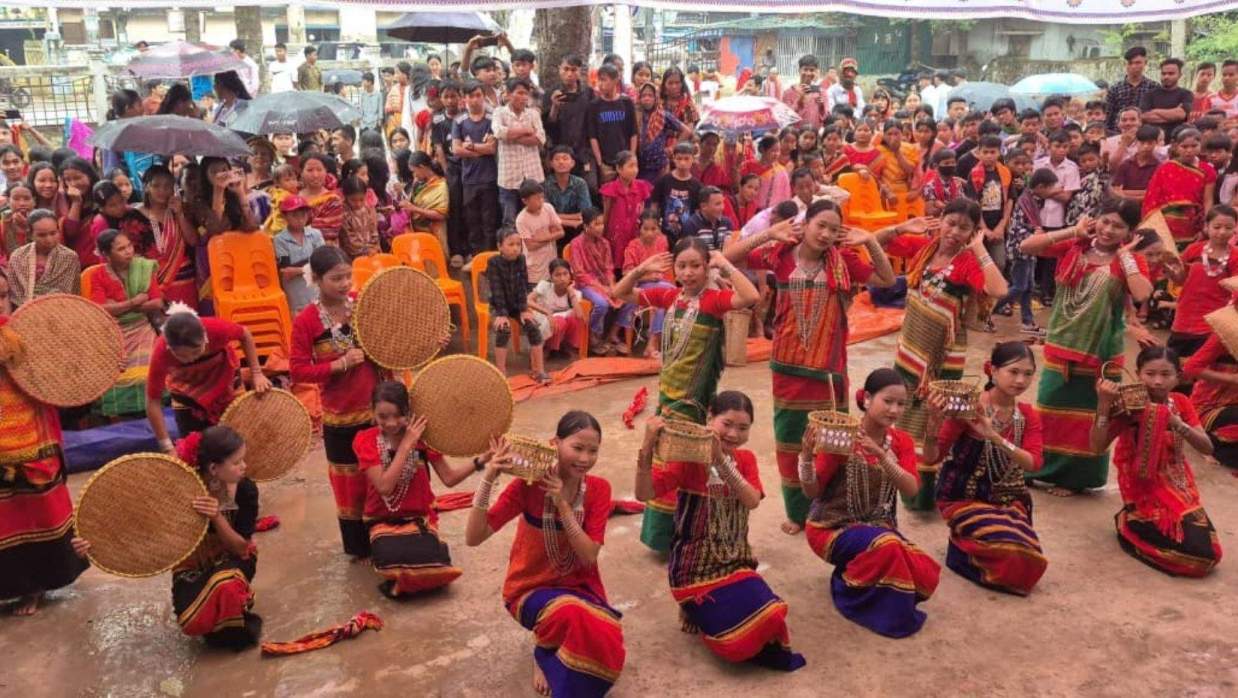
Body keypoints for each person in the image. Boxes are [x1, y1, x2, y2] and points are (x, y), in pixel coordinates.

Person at [724, 198, 897, 532]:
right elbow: (729, 257)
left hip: (829, 370)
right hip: (787, 367)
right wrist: (768, 234)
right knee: (790, 443)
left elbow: (886, 279)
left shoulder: (843, 261)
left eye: (834, 229)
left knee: (833, 443)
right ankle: (797, 513)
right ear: (806, 225)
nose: (826, 234)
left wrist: (870, 241)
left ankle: (830, 508)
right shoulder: (781, 255)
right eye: (821, 225)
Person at [636, 392, 806, 671]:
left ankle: (702, 613)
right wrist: (646, 448)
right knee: (733, 641)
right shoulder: (689, 460)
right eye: (726, 424)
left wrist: (721, 462)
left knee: (772, 616)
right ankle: (693, 607)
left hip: (735, 563)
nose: (733, 434)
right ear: (709, 418)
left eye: (743, 428)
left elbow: (751, 500)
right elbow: (643, 493)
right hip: (693, 571)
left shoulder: (746, 459)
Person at [465, 411, 625, 697]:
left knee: (607, 635)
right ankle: (545, 652)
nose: (585, 458)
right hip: (529, 590)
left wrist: (562, 504)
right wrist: (488, 477)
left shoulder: (599, 489)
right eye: (577, 448)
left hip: (580, 587)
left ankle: (553, 652)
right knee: (570, 614)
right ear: (555, 443)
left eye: (593, 451)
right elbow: (474, 537)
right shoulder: (528, 485)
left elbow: (589, 556)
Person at [614, 238, 759, 552]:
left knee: (684, 465)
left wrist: (725, 264)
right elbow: (620, 293)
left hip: (694, 402)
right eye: (682, 266)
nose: (688, 272)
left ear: (707, 267)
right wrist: (641, 269)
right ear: (674, 269)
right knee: (662, 462)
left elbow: (751, 296)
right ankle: (661, 537)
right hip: (667, 398)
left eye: (696, 265)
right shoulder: (669, 296)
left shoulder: (713, 301)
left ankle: (683, 533)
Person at [82, 426, 262, 647]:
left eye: (243, 459)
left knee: (226, 585)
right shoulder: (181, 489)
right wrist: (92, 542)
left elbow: (241, 548)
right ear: (214, 468)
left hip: (232, 558)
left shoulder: (246, 490)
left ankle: (232, 610)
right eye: (237, 462)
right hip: (192, 564)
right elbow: (136, 523)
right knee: (190, 620)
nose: (244, 466)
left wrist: (216, 517)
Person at [1019, 199, 1153, 495]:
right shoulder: (1075, 246)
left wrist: (1126, 257)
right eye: (1105, 221)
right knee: (1049, 408)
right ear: (1095, 219)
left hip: (1100, 353)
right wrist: (1073, 231)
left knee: (1088, 416)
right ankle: (1039, 468)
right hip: (1061, 344)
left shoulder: (1128, 260)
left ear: (1129, 232)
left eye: (1118, 226)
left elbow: (1142, 293)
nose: (1108, 230)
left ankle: (1074, 480)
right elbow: (1026, 246)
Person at [800, 368, 940, 638]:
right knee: (889, 547)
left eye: (901, 404)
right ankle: (846, 587)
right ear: (866, 398)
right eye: (887, 401)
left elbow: (911, 489)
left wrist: (883, 456)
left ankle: (865, 582)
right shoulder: (842, 436)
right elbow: (812, 491)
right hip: (831, 527)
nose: (895, 410)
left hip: (879, 526)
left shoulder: (901, 442)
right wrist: (806, 458)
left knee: (920, 566)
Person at [890, 199, 1008, 510]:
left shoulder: (967, 262)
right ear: (940, 220)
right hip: (909, 351)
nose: (954, 232)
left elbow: (999, 290)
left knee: (934, 421)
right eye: (951, 223)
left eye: (964, 228)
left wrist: (979, 249)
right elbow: (876, 242)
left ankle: (926, 495)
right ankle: (908, 487)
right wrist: (902, 226)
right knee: (905, 418)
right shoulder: (924, 249)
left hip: (942, 359)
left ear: (972, 232)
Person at [922, 342, 1047, 596]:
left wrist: (994, 436)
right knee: (1009, 554)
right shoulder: (970, 408)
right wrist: (933, 424)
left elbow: (1034, 463)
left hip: (1008, 498)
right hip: (964, 497)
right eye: (1013, 372)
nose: (1020, 380)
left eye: (1027, 373)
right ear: (992, 370)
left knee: (1030, 557)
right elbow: (932, 457)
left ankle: (968, 546)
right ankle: (960, 552)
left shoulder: (1026, 416)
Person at [289, 247, 387, 558]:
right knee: (349, 484)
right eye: (336, 278)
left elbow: (390, 341)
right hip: (339, 417)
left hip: (376, 411)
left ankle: (388, 541)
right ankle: (359, 547)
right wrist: (339, 364)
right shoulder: (306, 320)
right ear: (317, 279)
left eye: (348, 276)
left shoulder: (361, 304)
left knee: (382, 477)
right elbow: (297, 370)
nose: (345, 284)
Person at [1092, 346, 1221, 577]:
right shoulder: (1129, 405)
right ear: (1137, 374)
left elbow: (1207, 447)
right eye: (1150, 374)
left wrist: (1177, 423)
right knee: (1196, 557)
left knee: (1211, 553)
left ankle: (1136, 525)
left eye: (1165, 374)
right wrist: (1103, 406)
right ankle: (1129, 521)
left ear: (1178, 377)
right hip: (1144, 490)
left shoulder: (1180, 402)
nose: (1157, 381)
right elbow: (1097, 446)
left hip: (1179, 485)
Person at [0, 315, 89, 615]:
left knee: (33, 513)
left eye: (3, 296)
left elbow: (59, 377)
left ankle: (33, 589)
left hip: (31, 440)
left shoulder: (25, 333)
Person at [354, 381, 474, 597]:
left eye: (397, 415)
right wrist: (407, 445)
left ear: (408, 412)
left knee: (435, 568)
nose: (391, 423)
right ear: (372, 412)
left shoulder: (423, 440)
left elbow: (449, 478)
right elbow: (385, 487)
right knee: (392, 561)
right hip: (381, 520)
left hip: (418, 519)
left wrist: (482, 461)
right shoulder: (366, 440)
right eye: (383, 416)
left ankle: (428, 547)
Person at [146, 305, 270, 450]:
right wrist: (167, 446)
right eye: (182, 356)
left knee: (241, 436)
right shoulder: (161, 352)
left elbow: (245, 334)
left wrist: (257, 373)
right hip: (187, 392)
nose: (191, 359)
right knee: (194, 447)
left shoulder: (216, 329)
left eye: (195, 352)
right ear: (169, 348)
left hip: (225, 380)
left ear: (204, 338)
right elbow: (152, 401)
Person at [87, 229, 162, 417]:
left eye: (129, 246)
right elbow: (100, 309)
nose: (129, 251)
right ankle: (124, 417)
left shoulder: (144, 268)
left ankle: (152, 412)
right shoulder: (98, 275)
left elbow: (157, 303)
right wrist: (134, 302)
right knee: (114, 375)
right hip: (112, 331)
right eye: (121, 249)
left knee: (149, 370)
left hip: (141, 327)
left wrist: (118, 306)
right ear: (106, 255)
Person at [1165, 206, 1238, 357]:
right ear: (1206, 226)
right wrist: (1172, 273)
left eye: (1228, 228)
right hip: (1184, 317)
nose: (1222, 232)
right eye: (1217, 227)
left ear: (1235, 229)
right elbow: (1180, 280)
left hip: (1214, 321)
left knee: (1202, 365)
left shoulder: (1235, 257)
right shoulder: (1193, 250)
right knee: (1174, 362)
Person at [994, 168, 1057, 334]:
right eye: (1050, 188)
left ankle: (1027, 322)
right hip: (1020, 249)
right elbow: (1016, 228)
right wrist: (1034, 234)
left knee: (1028, 286)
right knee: (1019, 286)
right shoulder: (1025, 203)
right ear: (1041, 187)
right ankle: (989, 309)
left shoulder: (1033, 200)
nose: (1052, 191)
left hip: (1029, 250)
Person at [569, 207, 635, 355]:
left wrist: (611, 285)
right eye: (596, 224)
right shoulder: (576, 244)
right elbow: (580, 274)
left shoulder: (604, 243)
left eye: (602, 223)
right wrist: (601, 287)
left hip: (604, 282)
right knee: (602, 304)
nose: (601, 227)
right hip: (584, 284)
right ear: (586, 226)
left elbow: (608, 268)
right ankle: (592, 335)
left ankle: (612, 333)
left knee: (629, 298)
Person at [487, 228, 548, 382]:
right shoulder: (493, 263)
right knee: (503, 330)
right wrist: (502, 314)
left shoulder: (521, 259)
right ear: (500, 246)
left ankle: (539, 370)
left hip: (516, 305)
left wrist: (524, 309)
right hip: (498, 305)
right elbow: (496, 289)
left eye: (518, 244)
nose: (515, 248)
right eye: (510, 244)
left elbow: (523, 286)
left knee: (533, 327)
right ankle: (501, 373)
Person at [1142, 128, 1217, 250]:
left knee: (1189, 254)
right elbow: (1152, 197)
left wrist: (1206, 224)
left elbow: (1208, 200)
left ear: (1200, 145)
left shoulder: (1208, 170)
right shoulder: (1166, 168)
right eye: (1184, 146)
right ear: (1176, 147)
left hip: (1193, 222)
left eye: (1194, 146)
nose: (1189, 150)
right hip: (1165, 222)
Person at [1182, 307, 1238, 465]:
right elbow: (1190, 368)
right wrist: (1232, 379)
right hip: (1209, 406)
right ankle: (1209, 442)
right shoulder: (1223, 336)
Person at [452, 81, 499, 256]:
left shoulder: (492, 119)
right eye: (471, 96)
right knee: (472, 222)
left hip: (490, 178)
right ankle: (476, 257)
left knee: (489, 221)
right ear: (464, 98)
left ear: (484, 97)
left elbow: (492, 149)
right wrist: (481, 150)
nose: (475, 99)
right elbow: (456, 150)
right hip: (469, 180)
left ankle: (489, 256)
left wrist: (471, 147)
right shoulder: (459, 121)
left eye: (478, 95)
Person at [493, 78, 546, 225]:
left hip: (533, 175)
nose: (524, 97)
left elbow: (540, 139)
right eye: (520, 93)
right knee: (509, 221)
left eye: (526, 93)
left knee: (537, 219)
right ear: (509, 94)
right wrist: (526, 130)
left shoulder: (533, 114)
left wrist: (511, 136)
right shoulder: (499, 112)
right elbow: (499, 132)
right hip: (508, 178)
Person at [6, 209, 79, 306]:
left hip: (59, 309)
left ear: (59, 231)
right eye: (42, 235)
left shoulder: (69, 257)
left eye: (53, 233)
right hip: (22, 309)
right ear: (30, 234)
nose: (49, 239)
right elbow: (14, 293)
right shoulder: (18, 256)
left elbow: (69, 292)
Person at [599, 150, 653, 268]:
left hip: (635, 232)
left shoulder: (642, 186)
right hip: (616, 234)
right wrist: (603, 236)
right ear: (619, 168)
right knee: (616, 266)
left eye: (636, 166)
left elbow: (642, 211)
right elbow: (606, 214)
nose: (635, 170)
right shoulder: (610, 189)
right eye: (631, 166)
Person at [273, 195, 325, 315]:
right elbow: (285, 269)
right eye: (294, 215)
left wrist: (298, 270)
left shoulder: (315, 234)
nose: (300, 219)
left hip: (316, 291)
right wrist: (311, 263)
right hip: (295, 293)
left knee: (321, 317)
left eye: (303, 215)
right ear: (285, 216)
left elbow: (323, 262)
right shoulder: (280, 239)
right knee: (298, 319)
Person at [588, 64, 637, 183]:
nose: (600, 84)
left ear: (616, 80)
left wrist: (632, 158)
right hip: (606, 161)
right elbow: (593, 137)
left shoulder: (626, 102)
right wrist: (600, 163)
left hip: (625, 160)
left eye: (604, 80)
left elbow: (633, 132)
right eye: (599, 80)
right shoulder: (594, 105)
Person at [635, 83, 690, 183]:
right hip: (639, 167)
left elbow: (686, 131)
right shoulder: (636, 115)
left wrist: (672, 148)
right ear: (639, 98)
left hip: (659, 166)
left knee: (658, 191)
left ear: (656, 98)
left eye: (650, 95)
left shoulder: (663, 115)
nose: (647, 98)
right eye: (643, 95)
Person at [528, 258, 585, 355]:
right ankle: (547, 348)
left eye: (565, 274)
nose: (562, 278)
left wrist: (570, 292)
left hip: (559, 323)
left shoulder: (575, 293)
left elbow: (580, 316)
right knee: (559, 321)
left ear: (570, 275)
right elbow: (527, 300)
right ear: (551, 277)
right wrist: (547, 312)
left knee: (573, 319)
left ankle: (562, 345)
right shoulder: (545, 286)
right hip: (543, 319)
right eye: (557, 275)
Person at [515, 179, 564, 286]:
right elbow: (531, 246)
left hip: (552, 263)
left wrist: (541, 238)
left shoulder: (548, 208)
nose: (541, 201)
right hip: (534, 269)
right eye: (537, 199)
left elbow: (561, 232)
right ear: (525, 201)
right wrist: (551, 236)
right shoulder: (521, 220)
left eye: (542, 197)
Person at [652, 143, 703, 244]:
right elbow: (654, 206)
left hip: (688, 236)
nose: (683, 162)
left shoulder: (697, 185)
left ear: (693, 159)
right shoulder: (663, 181)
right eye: (679, 159)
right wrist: (655, 227)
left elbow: (698, 213)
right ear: (673, 159)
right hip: (664, 234)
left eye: (686, 159)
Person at [1139, 58, 1194, 140]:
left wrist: (1155, 111)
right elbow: (1144, 116)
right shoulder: (1149, 94)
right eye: (1163, 73)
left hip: (1177, 140)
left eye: (1171, 74)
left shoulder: (1186, 94)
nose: (1166, 77)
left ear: (1180, 75)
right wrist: (1173, 114)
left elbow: (1180, 115)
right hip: (1153, 140)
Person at [1106, 46, 1157, 132]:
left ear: (1145, 63)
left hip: (1145, 134)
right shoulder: (1115, 89)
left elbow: (1156, 114)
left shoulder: (1153, 87)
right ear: (1125, 64)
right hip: (1119, 133)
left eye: (1138, 63)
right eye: (1130, 63)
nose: (1133, 66)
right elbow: (1108, 115)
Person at [298, 155, 344, 245]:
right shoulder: (292, 197)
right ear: (301, 173)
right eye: (309, 170)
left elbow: (330, 231)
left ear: (326, 171)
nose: (315, 175)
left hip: (324, 249)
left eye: (319, 170)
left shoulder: (333, 200)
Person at [782, 55, 828, 131]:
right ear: (799, 70)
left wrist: (821, 106)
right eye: (805, 69)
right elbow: (786, 116)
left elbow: (825, 117)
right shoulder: (789, 92)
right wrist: (799, 100)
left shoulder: (821, 92)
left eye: (812, 70)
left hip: (814, 135)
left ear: (816, 72)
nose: (808, 73)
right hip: (795, 135)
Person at [338, 176, 379, 260]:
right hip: (352, 256)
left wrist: (374, 246)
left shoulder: (367, 209)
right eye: (353, 200)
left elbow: (373, 229)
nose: (358, 204)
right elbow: (349, 239)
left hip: (372, 252)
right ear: (345, 197)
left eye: (361, 199)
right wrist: (366, 250)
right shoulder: (343, 214)